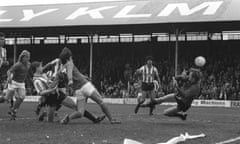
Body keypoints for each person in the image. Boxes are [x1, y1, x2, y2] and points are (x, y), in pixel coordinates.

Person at [58, 47, 120, 124]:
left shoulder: (62, 69)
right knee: (100, 102)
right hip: (85, 86)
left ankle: (68, 118)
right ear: (69, 57)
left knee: (80, 112)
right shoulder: (70, 63)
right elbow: (70, 73)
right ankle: (111, 119)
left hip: (78, 90)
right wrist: (70, 79)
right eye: (71, 56)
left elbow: (75, 74)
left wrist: (83, 77)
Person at [31, 61, 106, 123]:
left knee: (77, 107)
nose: (42, 67)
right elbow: (41, 92)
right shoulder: (36, 80)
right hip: (51, 99)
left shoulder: (43, 75)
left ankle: (95, 119)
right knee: (50, 122)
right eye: (40, 66)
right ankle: (45, 114)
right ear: (37, 68)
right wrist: (51, 90)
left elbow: (51, 82)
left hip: (58, 94)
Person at [4, 50, 31, 120]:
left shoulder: (28, 65)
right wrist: (9, 78)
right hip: (14, 83)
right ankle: (13, 110)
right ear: (22, 57)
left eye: (28, 57)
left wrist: (28, 84)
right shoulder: (18, 64)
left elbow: (26, 75)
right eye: (25, 57)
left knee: (22, 97)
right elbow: (9, 71)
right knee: (6, 98)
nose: (27, 58)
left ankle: (13, 110)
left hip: (21, 83)